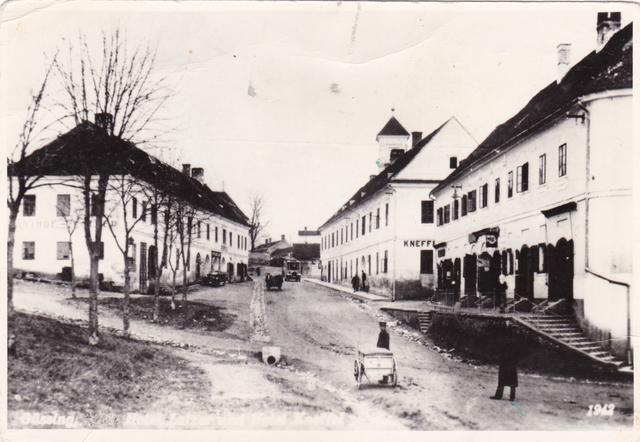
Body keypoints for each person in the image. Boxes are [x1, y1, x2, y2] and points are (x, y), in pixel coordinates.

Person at [490, 321, 518, 401]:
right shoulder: (515, 334)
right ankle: (511, 397)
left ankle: (499, 395)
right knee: (511, 379)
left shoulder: (505, 337)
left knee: (502, 377)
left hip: (506, 359)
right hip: (511, 359)